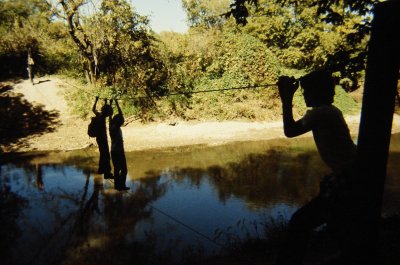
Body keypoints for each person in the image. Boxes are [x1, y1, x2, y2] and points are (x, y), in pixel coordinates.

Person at [276, 70, 357, 265]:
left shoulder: (322, 112)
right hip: (352, 176)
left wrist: (286, 99)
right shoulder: (330, 111)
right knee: (338, 224)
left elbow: (290, 131)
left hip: (348, 179)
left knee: (300, 222)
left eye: (305, 91)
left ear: (316, 91)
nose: (303, 95)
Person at [109, 99, 129, 191]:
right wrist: (116, 103)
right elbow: (121, 115)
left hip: (113, 151)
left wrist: (110, 103)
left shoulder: (111, 126)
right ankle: (121, 185)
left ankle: (118, 186)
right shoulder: (116, 127)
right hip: (119, 151)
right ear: (118, 121)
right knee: (124, 170)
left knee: (117, 169)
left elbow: (109, 115)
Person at [92, 97, 113, 179]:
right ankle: (107, 173)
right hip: (103, 138)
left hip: (99, 138)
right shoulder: (102, 117)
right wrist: (109, 103)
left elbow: (93, 109)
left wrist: (96, 100)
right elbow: (109, 112)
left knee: (102, 154)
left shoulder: (98, 115)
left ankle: (101, 169)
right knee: (106, 155)